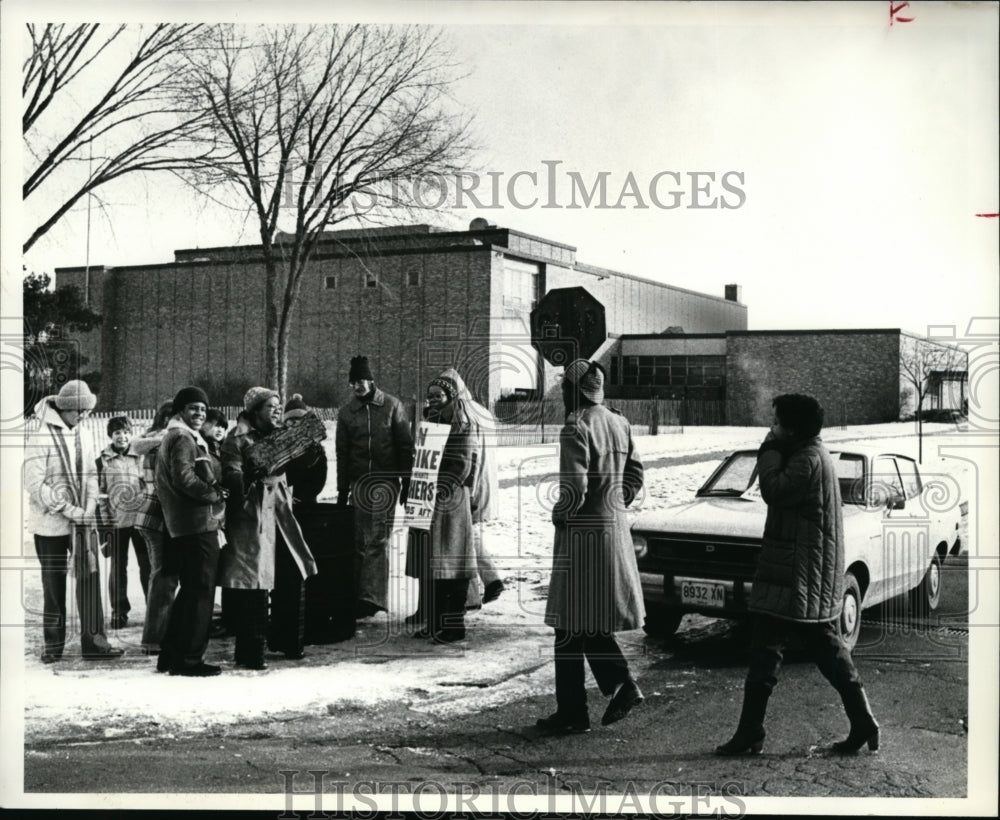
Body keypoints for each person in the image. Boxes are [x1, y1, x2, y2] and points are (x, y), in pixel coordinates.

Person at [716, 394, 880, 756]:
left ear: (791, 429)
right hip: (801, 572)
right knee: (824, 651)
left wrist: (768, 448)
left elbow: (773, 489)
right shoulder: (811, 454)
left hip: (796, 575)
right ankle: (862, 720)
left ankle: (750, 734)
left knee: (768, 654)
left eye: (775, 422)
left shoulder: (806, 459)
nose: (770, 428)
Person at [537, 360, 645, 734]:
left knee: (568, 624)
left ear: (573, 390)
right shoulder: (619, 421)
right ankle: (613, 688)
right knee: (587, 620)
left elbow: (575, 489)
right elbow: (635, 473)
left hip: (582, 538)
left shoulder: (576, 426)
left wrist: (561, 515)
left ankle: (576, 710)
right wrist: (615, 501)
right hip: (612, 533)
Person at [24, 379, 124, 662]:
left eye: (87, 410)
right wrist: (69, 509)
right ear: (65, 408)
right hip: (51, 525)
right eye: (79, 410)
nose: (84, 416)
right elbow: (34, 484)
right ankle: (53, 646)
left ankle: (95, 644)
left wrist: (90, 505)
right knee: (53, 585)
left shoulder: (86, 434)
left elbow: (92, 474)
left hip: (83, 523)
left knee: (90, 579)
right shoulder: (41, 436)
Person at [219, 387, 318, 669]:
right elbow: (230, 477)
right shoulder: (236, 439)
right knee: (255, 582)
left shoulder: (279, 435)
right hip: (253, 515)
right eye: (270, 406)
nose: (277, 410)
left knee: (292, 572)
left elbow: (299, 469)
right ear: (254, 410)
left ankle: (290, 642)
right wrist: (248, 475)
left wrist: (309, 452)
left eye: (278, 405)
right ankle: (251, 653)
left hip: (281, 511)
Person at [335, 355, 414, 619]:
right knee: (358, 541)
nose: (358, 386)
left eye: (362, 380)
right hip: (359, 482)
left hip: (385, 482)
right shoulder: (346, 413)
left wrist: (406, 481)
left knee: (377, 539)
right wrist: (342, 489)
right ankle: (359, 595)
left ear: (371, 380)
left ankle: (373, 599)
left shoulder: (392, 406)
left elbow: (405, 446)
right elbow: (343, 453)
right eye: (353, 382)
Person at [155, 386, 226, 677]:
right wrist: (214, 494)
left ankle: (171, 655)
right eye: (193, 408)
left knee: (189, 592)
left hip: (185, 525)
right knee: (201, 592)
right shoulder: (182, 437)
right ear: (181, 410)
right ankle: (190, 660)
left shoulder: (176, 435)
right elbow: (184, 478)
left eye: (203, 409)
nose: (199, 413)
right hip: (196, 524)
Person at [404, 375, 478, 643]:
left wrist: (438, 488)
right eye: (431, 395)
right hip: (428, 500)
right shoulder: (430, 423)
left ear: (451, 397)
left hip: (449, 503)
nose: (433, 399)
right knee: (429, 565)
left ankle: (453, 626)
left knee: (451, 567)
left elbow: (462, 465)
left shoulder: (462, 425)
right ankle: (434, 623)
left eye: (439, 395)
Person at [437, 368, 504, 618]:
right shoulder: (482, 411)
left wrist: (469, 490)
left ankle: (478, 591)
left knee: (464, 540)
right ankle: (489, 581)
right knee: (470, 537)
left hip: (470, 485)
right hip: (485, 481)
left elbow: (469, 458)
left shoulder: (461, 415)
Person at [132, 401, 177, 658]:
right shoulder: (163, 441)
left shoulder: (150, 439)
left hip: (150, 514)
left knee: (160, 576)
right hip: (158, 515)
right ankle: (154, 639)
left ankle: (158, 634)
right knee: (163, 577)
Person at [96, 415, 148, 630]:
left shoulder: (139, 458)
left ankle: (153, 609)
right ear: (111, 436)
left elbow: (147, 485)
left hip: (140, 521)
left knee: (148, 566)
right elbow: (100, 495)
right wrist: (105, 527)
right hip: (117, 523)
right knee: (118, 567)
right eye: (117, 432)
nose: (122, 436)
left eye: (126, 432)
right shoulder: (102, 461)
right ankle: (119, 611)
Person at [282, 394, 328, 505]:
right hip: (283, 499)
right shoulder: (280, 444)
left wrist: (303, 497)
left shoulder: (315, 447)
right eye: (290, 420)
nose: (294, 423)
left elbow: (319, 478)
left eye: (298, 419)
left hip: (306, 501)